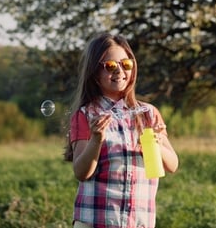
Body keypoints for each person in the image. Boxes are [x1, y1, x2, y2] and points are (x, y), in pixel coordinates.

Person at [64, 32, 179, 228]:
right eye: (110, 66)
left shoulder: (147, 114)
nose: (119, 71)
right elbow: (81, 172)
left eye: (126, 64)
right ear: (95, 73)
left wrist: (157, 144)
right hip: (96, 221)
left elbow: (172, 165)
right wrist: (96, 139)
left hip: (137, 222)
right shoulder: (86, 115)